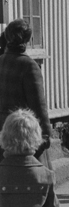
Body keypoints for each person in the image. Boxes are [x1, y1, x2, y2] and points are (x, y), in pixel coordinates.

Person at [0, 20, 52, 163]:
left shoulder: (1, 61)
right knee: (33, 179)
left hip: (3, 134)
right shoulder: (29, 66)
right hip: (23, 135)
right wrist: (46, 135)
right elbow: (38, 106)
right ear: (29, 39)